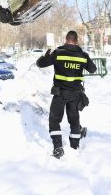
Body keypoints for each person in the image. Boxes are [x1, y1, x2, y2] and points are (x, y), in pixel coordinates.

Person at [36, 30, 97, 159]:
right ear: (77, 41)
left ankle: (58, 148)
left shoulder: (58, 53)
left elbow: (40, 64)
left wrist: (47, 55)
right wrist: (84, 58)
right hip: (76, 94)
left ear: (66, 40)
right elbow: (93, 69)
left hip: (60, 93)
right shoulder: (82, 55)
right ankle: (74, 147)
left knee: (54, 120)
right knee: (74, 120)